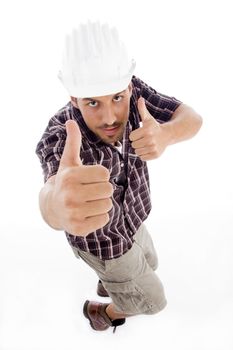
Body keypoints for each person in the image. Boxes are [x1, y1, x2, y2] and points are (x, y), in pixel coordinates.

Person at [35, 21, 202, 332]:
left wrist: (167, 134)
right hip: (105, 244)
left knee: (150, 262)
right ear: (74, 99)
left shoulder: (135, 93)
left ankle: (110, 283)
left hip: (135, 218)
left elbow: (192, 118)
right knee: (152, 301)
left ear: (128, 86)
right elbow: (52, 192)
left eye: (116, 97)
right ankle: (104, 312)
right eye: (92, 102)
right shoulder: (61, 133)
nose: (110, 116)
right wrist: (55, 206)